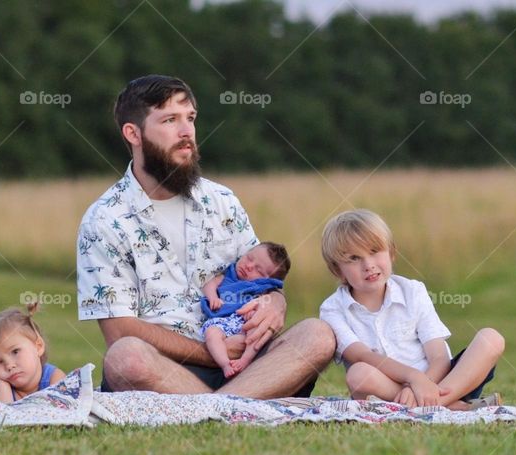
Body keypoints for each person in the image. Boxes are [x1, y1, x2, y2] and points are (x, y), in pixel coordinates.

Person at [76, 75, 334, 397]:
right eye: (170, 120)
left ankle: (219, 406)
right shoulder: (104, 221)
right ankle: (239, 405)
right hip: (165, 371)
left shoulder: (222, 201)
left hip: (246, 364)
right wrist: (216, 352)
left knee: (318, 334)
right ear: (133, 133)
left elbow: (263, 279)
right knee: (125, 357)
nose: (187, 133)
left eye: (191, 119)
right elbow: (120, 330)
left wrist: (276, 304)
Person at [318, 209, 504, 410]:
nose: (368, 265)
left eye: (374, 252)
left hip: (444, 382)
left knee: (491, 339)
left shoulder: (413, 290)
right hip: (385, 389)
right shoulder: (332, 309)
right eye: (354, 258)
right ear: (337, 270)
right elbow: (362, 356)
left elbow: (439, 358)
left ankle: (433, 404)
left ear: (391, 253)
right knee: (358, 374)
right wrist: (413, 379)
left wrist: (423, 382)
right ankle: (454, 408)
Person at [201, 242, 290, 378]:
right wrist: (213, 297)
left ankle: (245, 360)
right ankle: (225, 364)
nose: (248, 266)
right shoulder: (228, 275)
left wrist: (254, 312)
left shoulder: (261, 288)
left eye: (258, 270)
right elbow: (210, 284)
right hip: (222, 321)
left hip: (244, 325)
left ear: (268, 280)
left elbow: (264, 303)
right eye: (249, 258)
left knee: (257, 331)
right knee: (211, 334)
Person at [0, 303, 67, 406]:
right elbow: (1, 418)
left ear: (38, 347)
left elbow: (62, 409)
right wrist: (1, 387)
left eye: (15, 352)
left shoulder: (54, 378)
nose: (9, 366)